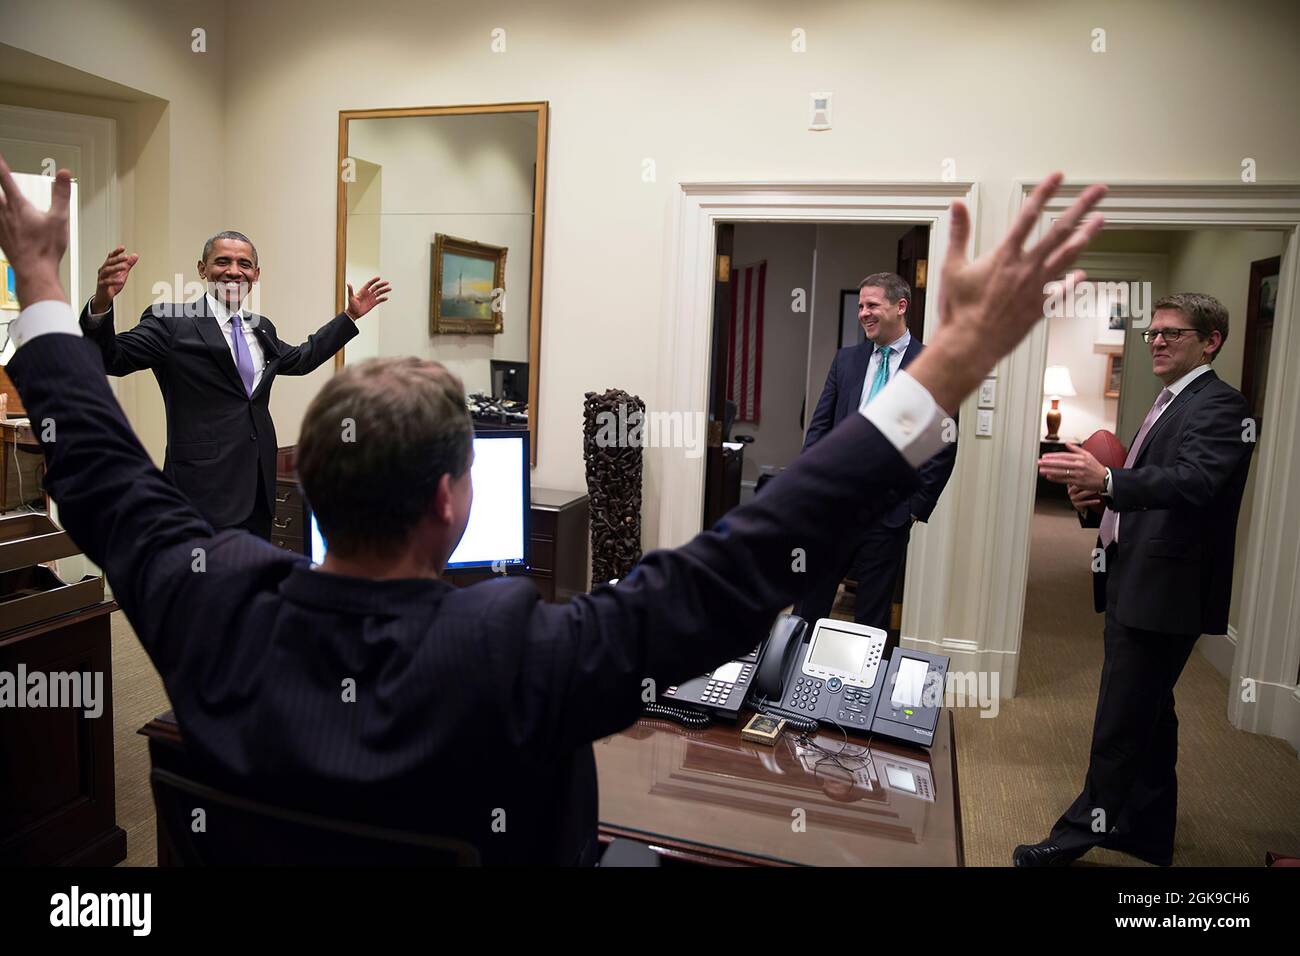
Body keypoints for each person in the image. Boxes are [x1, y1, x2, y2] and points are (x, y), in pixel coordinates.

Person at [0, 154, 1104, 864]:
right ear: (452, 497)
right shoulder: (520, 649)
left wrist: (38, 278)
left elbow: (95, 469)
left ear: (308, 483)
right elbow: (739, 562)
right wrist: (951, 363)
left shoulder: (208, 602)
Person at [1025, 293, 1254, 867]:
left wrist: (1111, 478)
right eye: (1152, 332)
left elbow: (1195, 483)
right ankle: (1144, 833)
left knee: (1121, 719)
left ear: (1210, 341)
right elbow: (1146, 486)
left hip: (1166, 594)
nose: (1155, 340)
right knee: (1152, 716)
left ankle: (1075, 836)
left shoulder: (1222, 406)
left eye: (1171, 333)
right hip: (1137, 580)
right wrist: (1098, 493)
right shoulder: (1172, 400)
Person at [78, 236, 390, 537]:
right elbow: (110, 359)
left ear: (256, 274)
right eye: (222, 261)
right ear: (202, 269)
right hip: (200, 492)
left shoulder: (261, 326)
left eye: (244, 263)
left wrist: (349, 317)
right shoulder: (171, 322)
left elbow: (299, 360)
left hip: (257, 489)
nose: (233, 271)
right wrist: (102, 301)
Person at [797, 273, 957, 653]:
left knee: (871, 618)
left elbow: (943, 443)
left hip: (888, 514)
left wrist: (914, 509)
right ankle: (791, 693)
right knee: (808, 606)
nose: (863, 313)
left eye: (872, 305)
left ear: (900, 306)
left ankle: (856, 703)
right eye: (860, 307)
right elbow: (819, 428)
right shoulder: (846, 360)